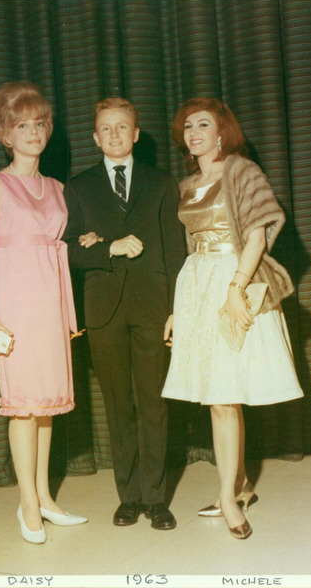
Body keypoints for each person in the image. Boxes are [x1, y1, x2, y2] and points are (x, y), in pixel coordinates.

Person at [162, 97, 304, 540]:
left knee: (225, 396)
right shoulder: (188, 185)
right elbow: (190, 248)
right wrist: (176, 311)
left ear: (222, 133)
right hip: (197, 286)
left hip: (234, 280)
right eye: (188, 126)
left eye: (204, 124)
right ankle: (239, 485)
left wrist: (236, 288)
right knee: (217, 393)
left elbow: (259, 232)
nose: (194, 132)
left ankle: (227, 499)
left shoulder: (242, 171)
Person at [63, 97, 186, 530]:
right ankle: (128, 496)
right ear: (96, 138)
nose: (114, 135)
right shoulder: (77, 187)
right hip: (105, 312)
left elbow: (175, 249)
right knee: (118, 407)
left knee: (153, 404)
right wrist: (107, 248)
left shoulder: (162, 182)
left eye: (122, 127)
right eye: (106, 129)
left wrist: (176, 310)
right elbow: (67, 254)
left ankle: (156, 498)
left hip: (153, 307)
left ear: (136, 134)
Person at [0, 81, 88, 544]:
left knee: (45, 409)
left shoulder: (58, 188)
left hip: (51, 298)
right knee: (23, 408)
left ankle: (43, 496)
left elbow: (65, 242)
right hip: (15, 301)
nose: (33, 132)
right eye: (22, 125)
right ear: (6, 133)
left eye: (39, 123)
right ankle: (26, 506)